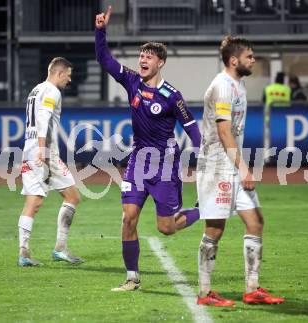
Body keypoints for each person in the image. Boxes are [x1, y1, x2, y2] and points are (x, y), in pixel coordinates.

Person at [95, 6, 202, 291]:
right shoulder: (132, 81)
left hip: (165, 166)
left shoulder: (172, 96)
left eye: (148, 57)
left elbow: (190, 126)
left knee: (166, 228)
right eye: (141, 56)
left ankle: (202, 210)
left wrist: (200, 152)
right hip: (138, 162)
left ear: (160, 63)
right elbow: (104, 60)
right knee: (128, 218)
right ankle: (132, 277)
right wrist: (100, 31)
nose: (142, 59)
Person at [196, 36, 285, 306]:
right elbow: (224, 132)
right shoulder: (223, 86)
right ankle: (204, 293)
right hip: (216, 166)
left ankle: (252, 289)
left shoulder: (238, 85)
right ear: (234, 60)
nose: (253, 59)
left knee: (255, 222)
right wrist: (244, 169)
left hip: (230, 166)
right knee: (215, 228)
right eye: (249, 55)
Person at [17, 57, 83, 267]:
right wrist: (44, 150)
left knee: (33, 202)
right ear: (59, 73)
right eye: (68, 75)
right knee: (72, 196)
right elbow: (43, 118)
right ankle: (60, 248)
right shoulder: (52, 91)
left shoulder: (35, 90)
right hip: (44, 152)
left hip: (29, 149)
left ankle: (24, 253)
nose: (69, 80)